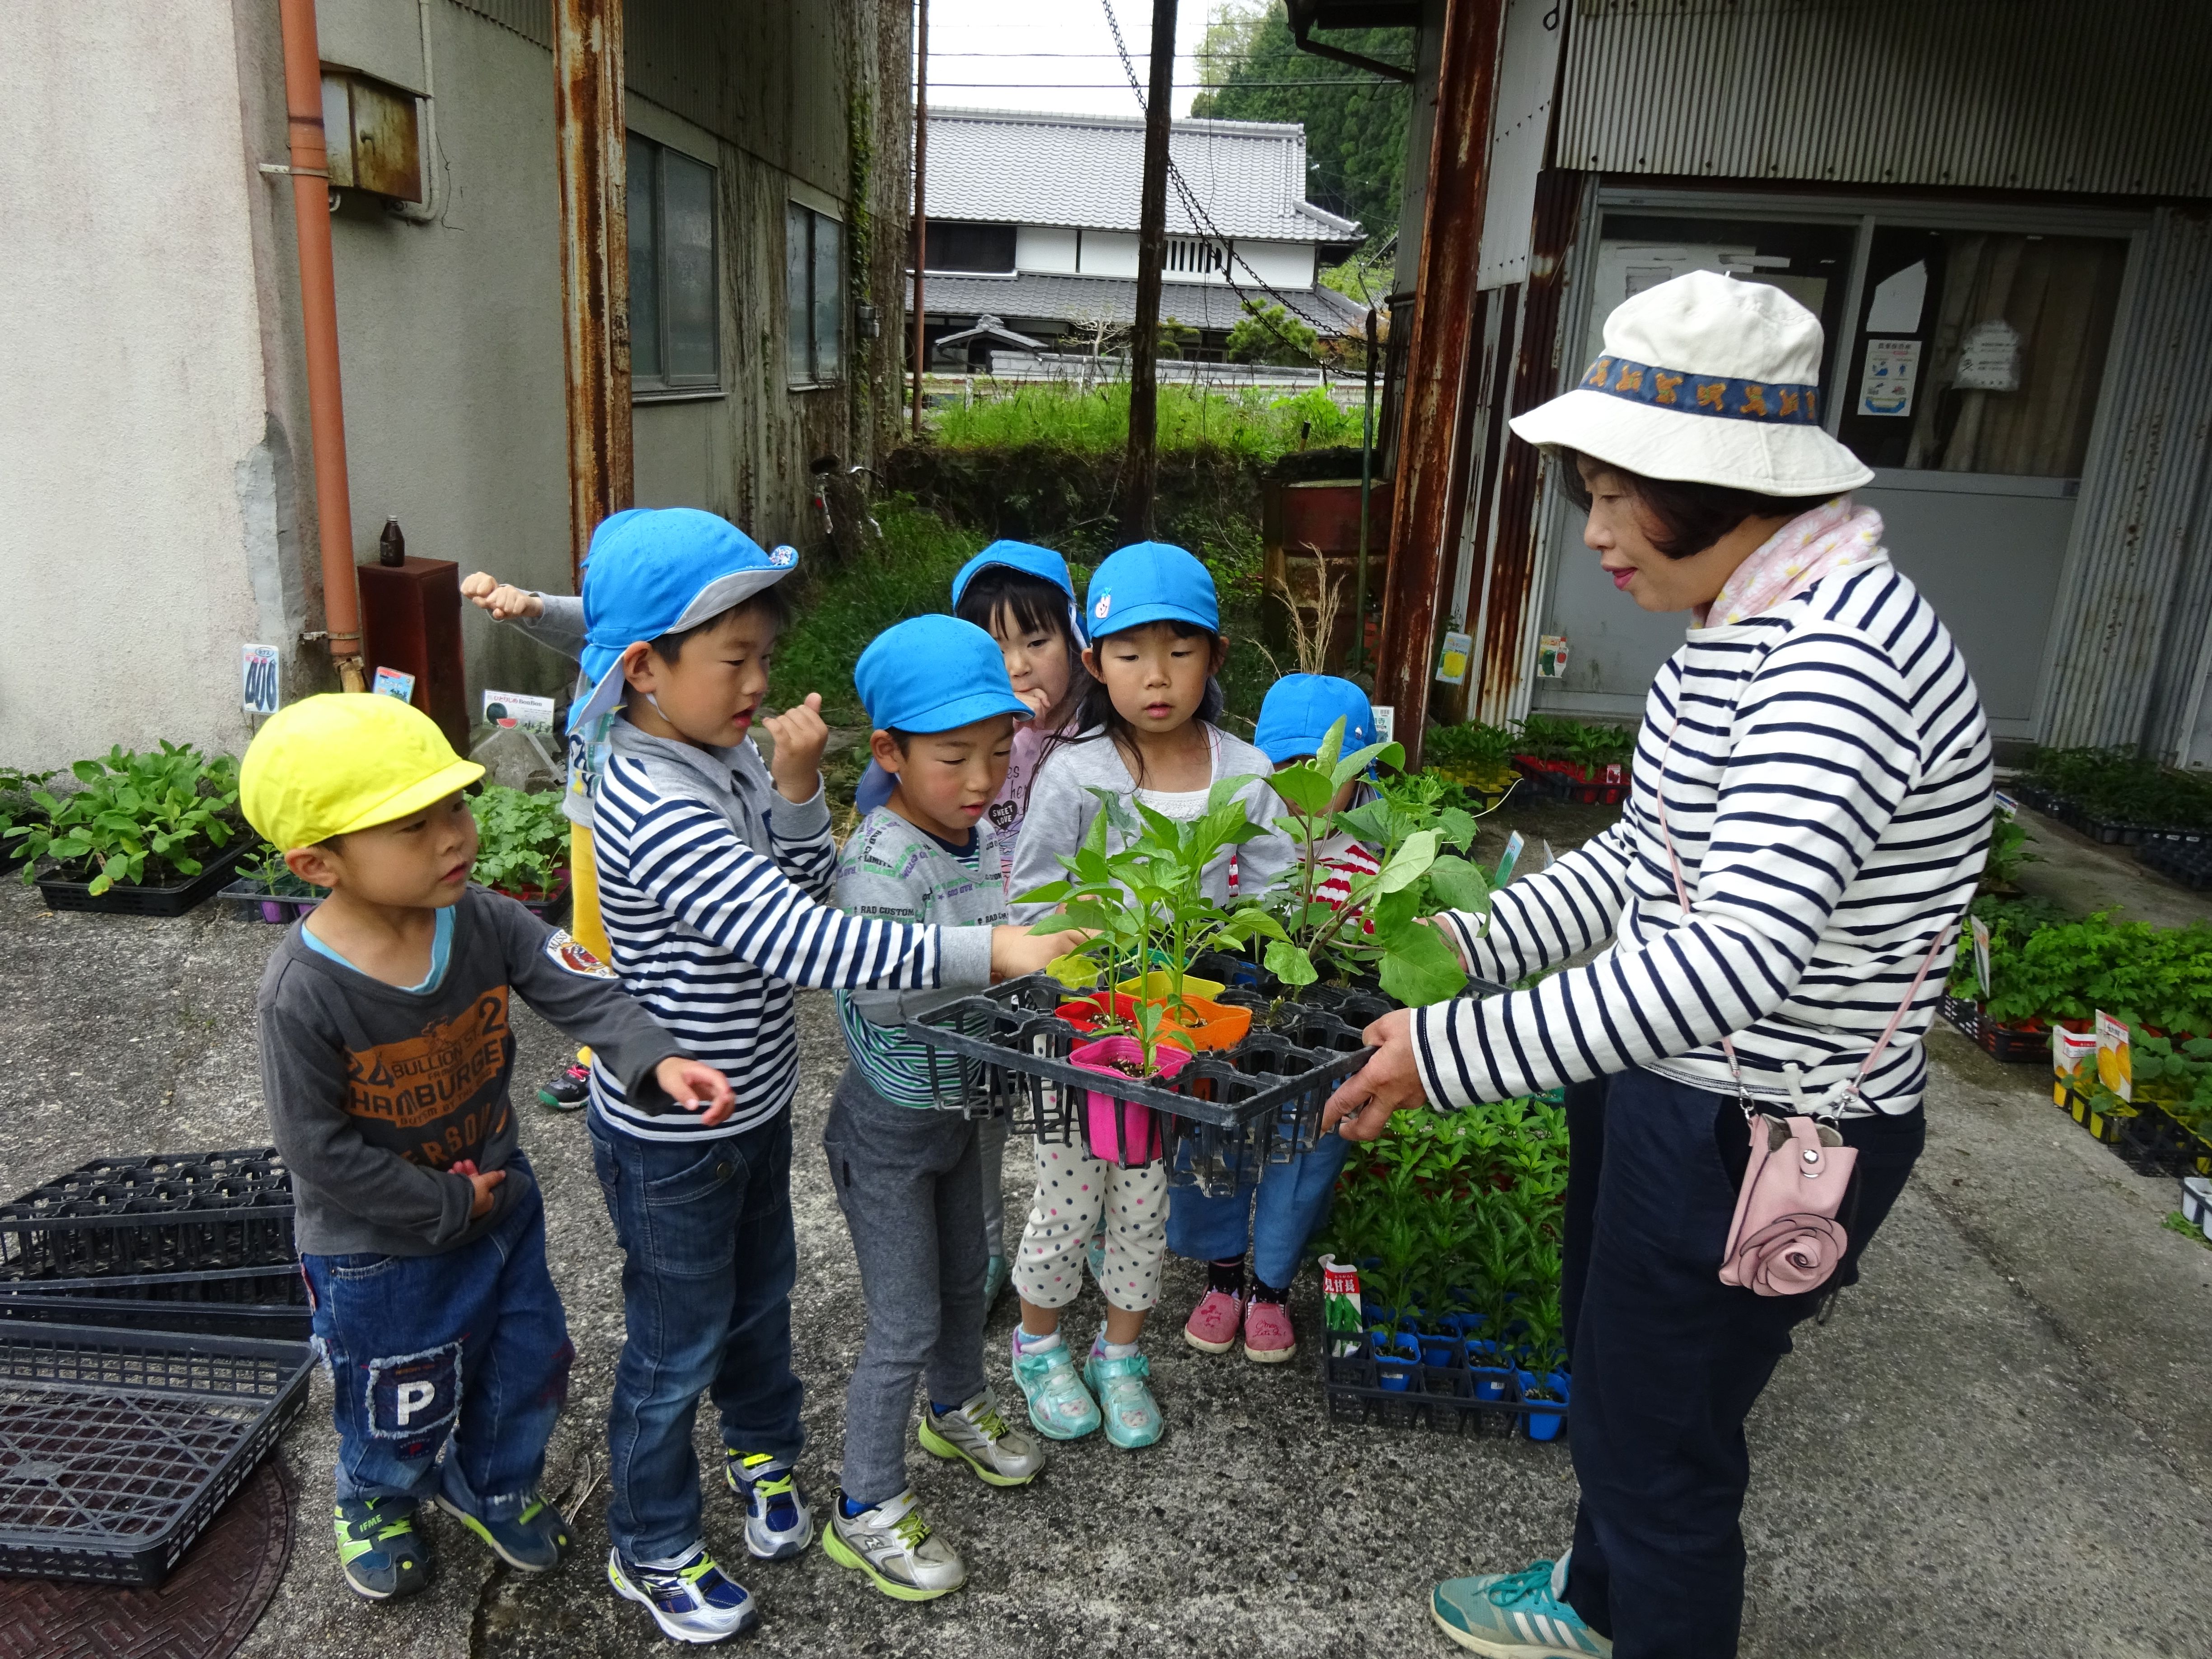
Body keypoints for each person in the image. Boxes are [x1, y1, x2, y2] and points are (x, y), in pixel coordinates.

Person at [1322, 270, 1992, 1659]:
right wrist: (1455, 945)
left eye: (1628, 496)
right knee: (1628, 1396)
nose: (1602, 536)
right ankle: (1591, 1600)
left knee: (1661, 1453)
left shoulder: (1835, 666)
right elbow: (1647, 868)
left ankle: (1636, 1606)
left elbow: (1733, 955)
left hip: (1760, 1126)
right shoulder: (1747, 626)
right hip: (1673, 1089)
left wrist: (1445, 1055)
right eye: (1592, 494)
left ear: (1729, 482)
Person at [570, 508, 1079, 1643]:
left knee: (759, 1306)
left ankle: (761, 1454)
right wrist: (988, 950)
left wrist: (795, 789)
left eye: (764, 656)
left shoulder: (722, 756)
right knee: (673, 1342)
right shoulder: (649, 799)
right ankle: (649, 1544)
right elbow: (804, 943)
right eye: (735, 660)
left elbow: (798, 878)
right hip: (669, 1137)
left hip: (749, 1107)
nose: (760, 681)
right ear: (644, 668)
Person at [241, 693, 734, 1605]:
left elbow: (581, 986)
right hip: (376, 1254)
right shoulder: (303, 995)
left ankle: (495, 1482)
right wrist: (440, 1207)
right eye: (412, 826)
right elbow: (316, 1152)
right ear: (316, 863)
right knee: (396, 1389)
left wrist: (655, 1057)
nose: (452, 837)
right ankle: (377, 1495)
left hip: (501, 1209)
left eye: (455, 808)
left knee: (531, 1358)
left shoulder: (481, 920)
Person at [1002, 541, 1298, 1450]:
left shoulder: (1244, 771)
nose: (1156, 675)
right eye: (1129, 654)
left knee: (1145, 1201)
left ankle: (1120, 1355)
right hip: (1085, 1027)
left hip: (1180, 1030)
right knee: (1066, 1199)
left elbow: (1277, 896)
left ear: (1215, 657)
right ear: (1095, 663)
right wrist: (1077, 953)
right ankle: (1038, 1344)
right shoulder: (1078, 770)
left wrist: (1255, 955)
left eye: (1180, 649)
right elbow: (1032, 897)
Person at [821, 614, 1051, 1601]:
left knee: (970, 1280)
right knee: (904, 1319)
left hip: (973, 1103)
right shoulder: (879, 860)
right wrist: (999, 962)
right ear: (889, 753)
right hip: (890, 1127)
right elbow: (873, 986)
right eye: (954, 757)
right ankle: (863, 1504)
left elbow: (1008, 922)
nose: (980, 778)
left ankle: (955, 1409)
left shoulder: (984, 834)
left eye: (999, 754)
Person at [853, 539, 1095, 1310]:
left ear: (1076, 644)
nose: (1019, 663)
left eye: (1037, 639)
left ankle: (1059, 1240)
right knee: (974, 1130)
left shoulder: (1092, 741)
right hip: (969, 971)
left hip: (1042, 960)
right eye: (994, 645)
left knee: (1048, 1121)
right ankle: (984, 1256)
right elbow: (883, 823)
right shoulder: (936, 768)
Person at [1172, 673, 1379, 1364]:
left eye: (1326, 774)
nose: (1303, 791)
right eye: (1286, 771)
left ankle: (1271, 1287)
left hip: (1320, 1051)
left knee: (1305, 1153)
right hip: (1229, 1039)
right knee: (1215, 1146)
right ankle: (1223, 1274)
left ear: (1360, 778)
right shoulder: (1233, 852)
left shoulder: (1369, 871)